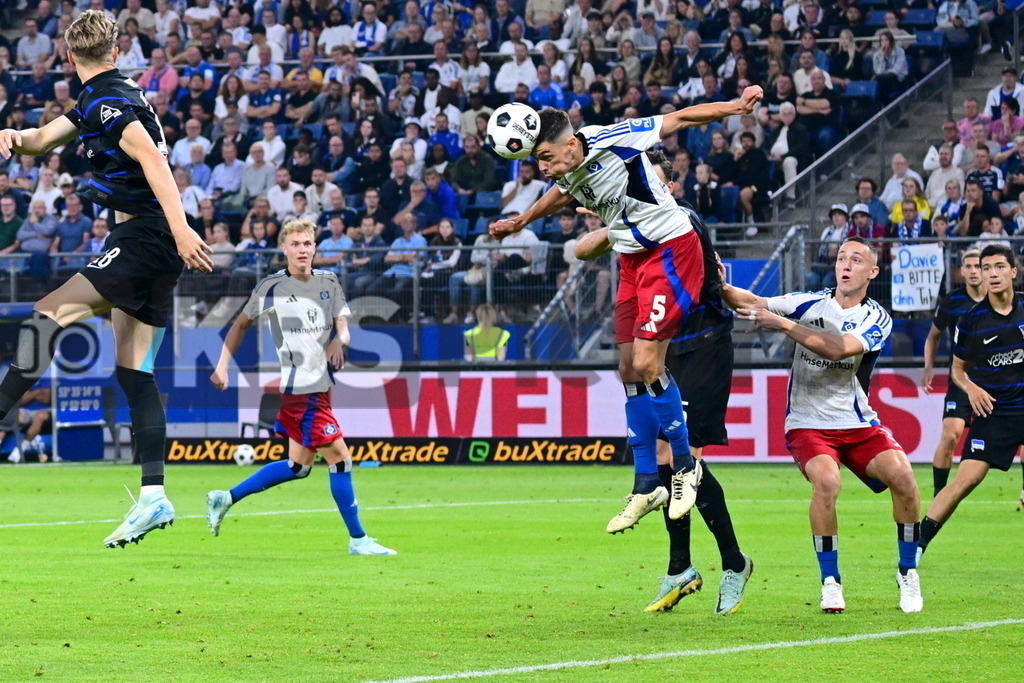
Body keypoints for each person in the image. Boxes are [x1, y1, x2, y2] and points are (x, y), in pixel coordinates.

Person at [489, 86, 763, 534]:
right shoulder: (566, 167)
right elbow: (560, 192)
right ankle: (646, 483)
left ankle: (684, 466)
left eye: (547, 158)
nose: (544, 169)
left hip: (670, 250)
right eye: (538, 161)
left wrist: (736, 107)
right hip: (632, 258)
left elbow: (679, 118)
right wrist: (521, 220)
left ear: (571, 144)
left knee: (648, 363)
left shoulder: (613, 138)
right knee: (628, 368)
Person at [0, 10, 213, 548]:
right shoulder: (103, 96)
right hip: (147, 242)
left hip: (145, 238)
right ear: (115, 52)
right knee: (135, 372)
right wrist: (13, 137)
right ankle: (153, 495)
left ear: (69, 56)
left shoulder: (108, 102)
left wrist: (181, 230)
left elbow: (154, 161)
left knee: (47, 315)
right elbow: (41, 140)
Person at [574, 150, 752, 615]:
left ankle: (734, 563)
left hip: (704, 345)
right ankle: (681, 568)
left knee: (684, 459)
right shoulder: (630, 224)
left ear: (668, 188)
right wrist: (611, 215)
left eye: (650, 184)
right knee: (662, 459)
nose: (641, 193)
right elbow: (584, 248)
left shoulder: (682, 219)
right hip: (665, 350)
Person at [719, 237, 923, 614]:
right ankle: (831, 581)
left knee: (904, 478)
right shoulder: (810, 302)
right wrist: (720, 284)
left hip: (857, 421)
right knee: (827, 482)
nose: (846, 264)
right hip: (807, 422)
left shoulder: (876, 317)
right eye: (842, 257)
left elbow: (839, 348)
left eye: (856, 260)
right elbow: (754, 303)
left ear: (872, 272)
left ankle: (908, 571)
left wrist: (782, 324)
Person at [207, 219, 395, 556]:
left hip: (318, 386)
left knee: (299, 466)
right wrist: (222, 366)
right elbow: (239, 325)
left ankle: (226, 497)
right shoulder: (271, 287)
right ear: (284, 249)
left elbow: (343, 325)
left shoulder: (329, 281)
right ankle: (358, 540)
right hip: (300, 389)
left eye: (307, 243)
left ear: (315, 247)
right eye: (295, 244)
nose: (302, 250)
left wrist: (339, 339)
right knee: (341, 459)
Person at [919, 244, 1024, 560]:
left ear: (1013, 272)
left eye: (999, 267)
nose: (992, 273)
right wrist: (972, 389)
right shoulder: (970, 320)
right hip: (995, 413)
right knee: (966, 480)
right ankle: (914, 552)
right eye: (987, 267)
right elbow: (957, 369)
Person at [921, 249, 986, 498]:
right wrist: (929, 367)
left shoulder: (1000, 298)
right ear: (961, 271)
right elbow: (933, 337)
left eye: (978, 266)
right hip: (962, 380)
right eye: (968, 266)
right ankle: (939, 496)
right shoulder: (952, 301)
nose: (973, 271)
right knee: (950, 435)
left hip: (996, 380)